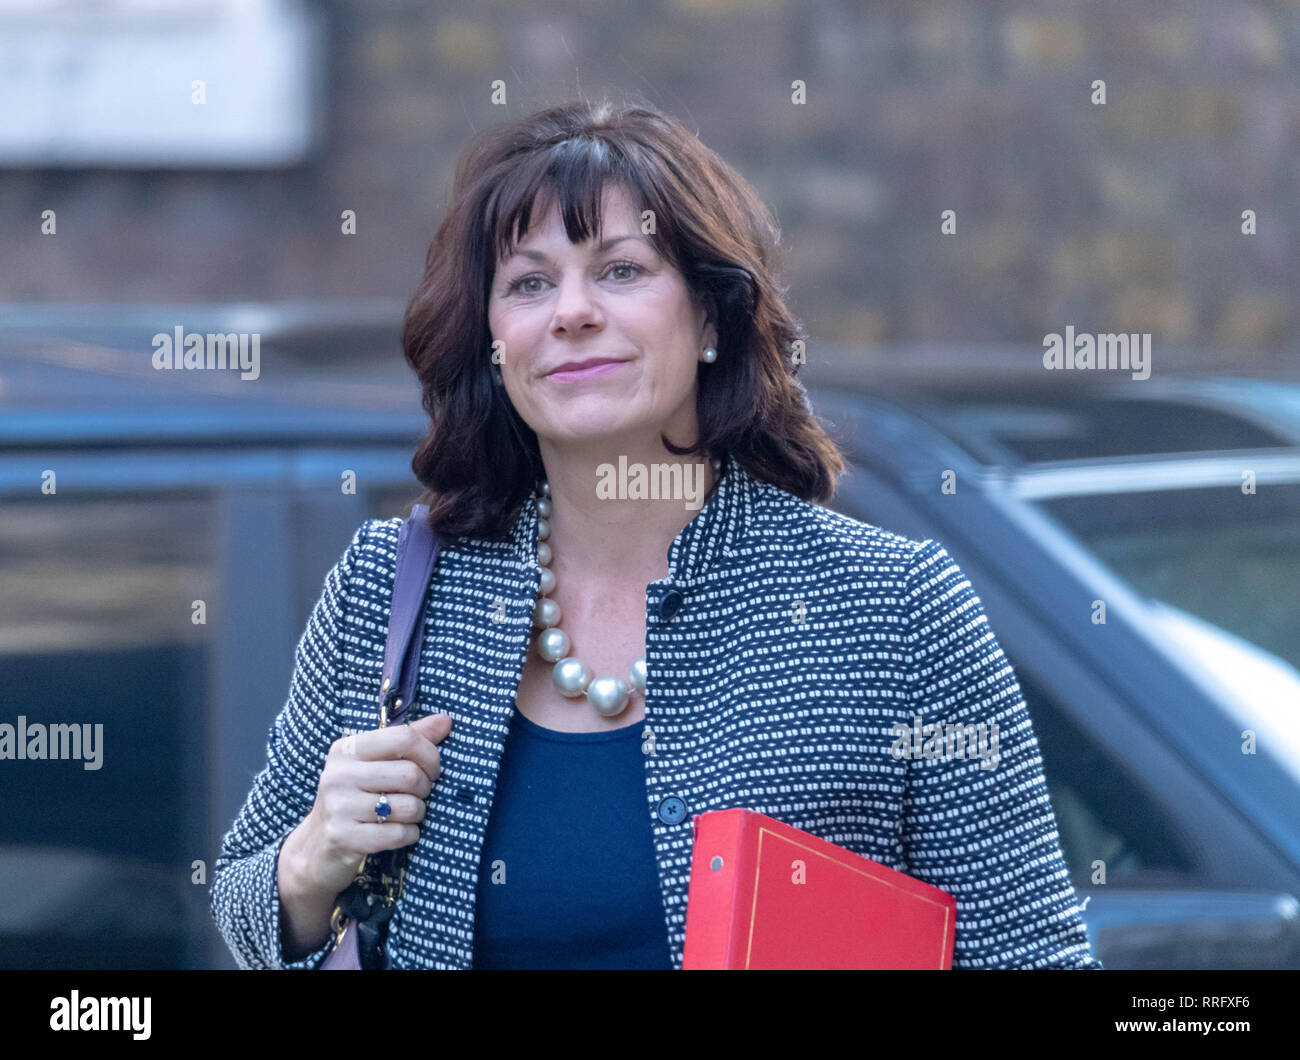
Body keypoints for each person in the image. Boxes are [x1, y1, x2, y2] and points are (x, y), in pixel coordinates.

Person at [211, 96, 1101, 969]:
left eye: (621, 271)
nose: (571, 312)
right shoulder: (390, 589)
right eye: (528, 282)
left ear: (711, 314)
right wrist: (310, 861)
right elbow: (241, 908)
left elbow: (1036, 956)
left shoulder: (893, 609)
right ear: (492, 341)